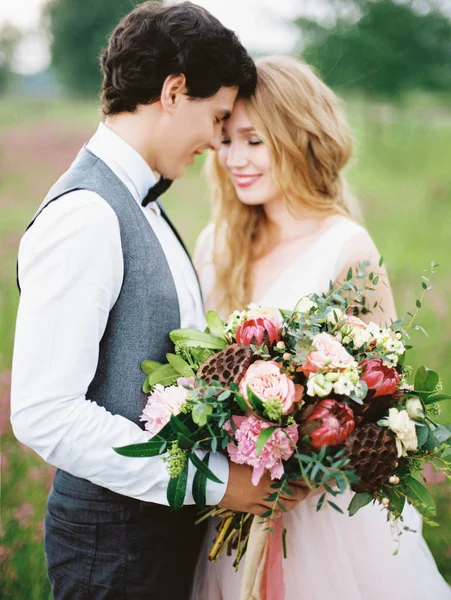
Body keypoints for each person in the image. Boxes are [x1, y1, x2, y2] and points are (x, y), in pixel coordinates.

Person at [10, 6, 308, 599]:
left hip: (147, 539)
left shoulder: (139, 200)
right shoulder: (88, 215)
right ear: (174, 92)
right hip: (111, 550)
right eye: (218, 116)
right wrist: (217, 483)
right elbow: (45, 412)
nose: (220, 139)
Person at [192, 55, 451, 600]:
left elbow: (383, 398)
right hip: (230, 507)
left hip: (322, 519)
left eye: (254, 141)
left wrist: (300, 467)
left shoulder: (346, 247)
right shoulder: (215, 244)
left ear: (297, 137)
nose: (234, 159)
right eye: (225, 140)